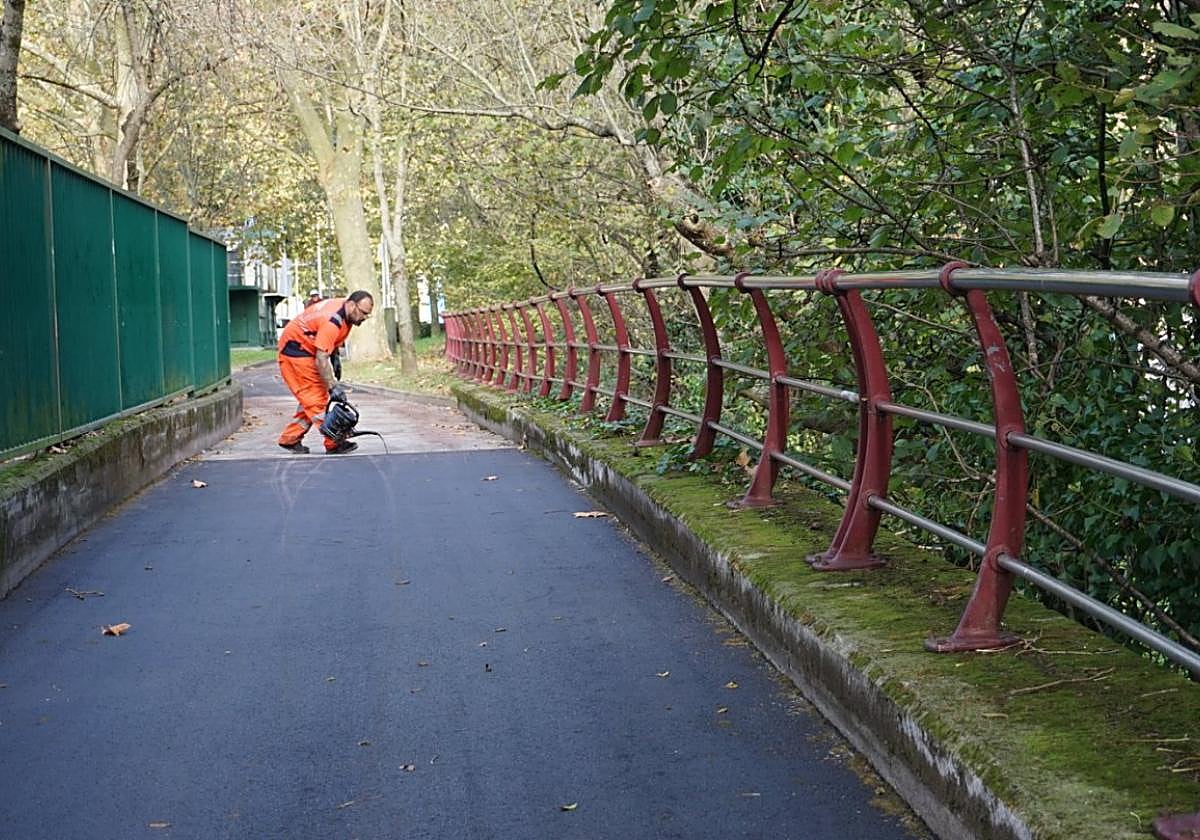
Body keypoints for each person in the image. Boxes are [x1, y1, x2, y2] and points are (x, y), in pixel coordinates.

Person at [276, 291, 374, 455]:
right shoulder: (333, 320)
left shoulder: (345, 313)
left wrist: (334, 359)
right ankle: (335, 441)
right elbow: (321, 358)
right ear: (351, 305)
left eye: (367, 314)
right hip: (296, 353)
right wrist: (333, 386)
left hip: (306, 350)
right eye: (363, 313)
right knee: (316, 401)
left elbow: (327, 346)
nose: (364, 317)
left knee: (312, 400)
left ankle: (290, 438)